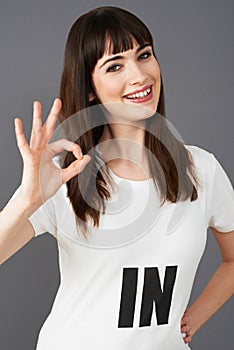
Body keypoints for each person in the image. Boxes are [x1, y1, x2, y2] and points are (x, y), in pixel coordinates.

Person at [0, 6, 233, 350]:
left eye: (144, 55)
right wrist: (27, 199)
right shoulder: (66, 177)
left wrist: (193, 318)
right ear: (90, 88)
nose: (139, 75)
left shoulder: (202, 170)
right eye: (115, 66)